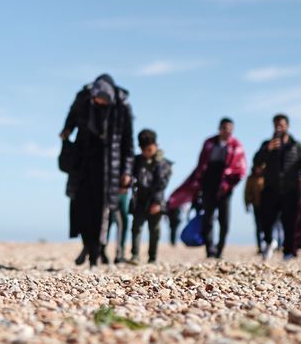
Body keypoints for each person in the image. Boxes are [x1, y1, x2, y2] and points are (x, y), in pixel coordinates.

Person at [60, 74, 134, 267]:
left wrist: (126, 171)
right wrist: (67, 129)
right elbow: (72, 115)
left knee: (102, 212)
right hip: (83, 162)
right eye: (96, 100)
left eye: (103, 101)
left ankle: (95, 254)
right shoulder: (84, 97)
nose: (98, 103)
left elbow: (128, 142)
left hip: (109, 166)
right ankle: (88, 245)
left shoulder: (122, 106)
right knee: (80, 209)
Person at [167, 118, 247, 259]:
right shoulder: (209, 143)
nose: (227, 131)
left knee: (224, 220)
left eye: (230, 128)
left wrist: (228, 184)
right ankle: (210, 250)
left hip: (226, 189)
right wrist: (198, 186)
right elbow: (201, 166)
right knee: (208, 219)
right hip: (208, 186)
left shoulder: (236, 145)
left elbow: (240, 169)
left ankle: (220, 249)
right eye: (224, 128)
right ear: (219, 129)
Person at [253, 114, 301, 261]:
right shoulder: (267, 144)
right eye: (276, 125)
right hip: (270, 189)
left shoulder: (297, 146)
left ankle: (288, 252)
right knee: (266, 220)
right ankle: (268, 242)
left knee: (290, 222)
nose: (279, 127)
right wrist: (267, 149)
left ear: (287, 126)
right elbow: (256, 161)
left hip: (291, 190)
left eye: (282, 125)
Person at [128, 129, 173, 263]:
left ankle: (152, 257)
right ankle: (135, 255)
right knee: (136, 227)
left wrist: (158, 203)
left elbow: (162, 183)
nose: (147, 153)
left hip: (156, 202)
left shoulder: (163, 163)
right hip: (140, 201)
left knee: (154, 231)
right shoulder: (137, 161)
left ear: (156, 146)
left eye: (150, 149)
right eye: (144, 150)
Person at [244, 163, 265, 254]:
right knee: (258, 226)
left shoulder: (267, 177)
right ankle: (260, 246)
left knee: (268, 226)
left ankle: (270, 244)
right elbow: (247, 192)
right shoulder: (251, 178)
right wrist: (247, 203)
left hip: (267, 205)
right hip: (256, 204)